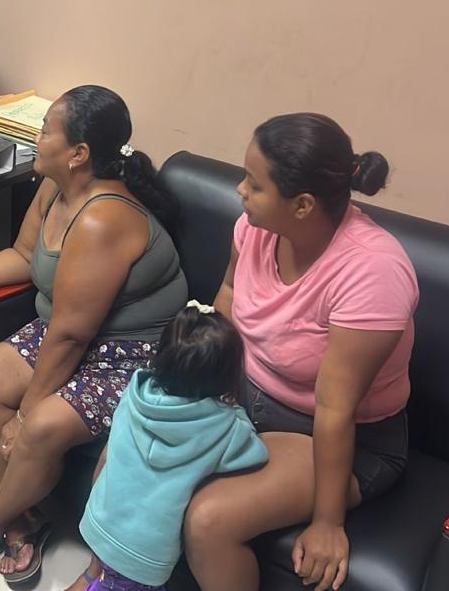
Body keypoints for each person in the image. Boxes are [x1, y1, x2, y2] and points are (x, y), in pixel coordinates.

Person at [74, 112, 418, 591]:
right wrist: (203, 387)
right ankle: (103, 574)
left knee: (207, 520)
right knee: (121, 451)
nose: (240, 191)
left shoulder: (372, 272)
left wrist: (328, 523)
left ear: (302, 205)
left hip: (334, 435)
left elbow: (335, 408)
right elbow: (229, 298)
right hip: (240, 399)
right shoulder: (256, 228)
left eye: (254, 184)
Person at [0, 86, 188, 590]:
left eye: (46, 130)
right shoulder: (54, 186)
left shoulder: (102, 218)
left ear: (79, 153)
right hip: (71, 334)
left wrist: (26, 414)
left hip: (131, 356)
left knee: (41, 424)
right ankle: (26, 519)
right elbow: (24, 255)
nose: (36, 137)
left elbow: (71, 336)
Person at [78, 300, 268, 591]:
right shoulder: (224, 427)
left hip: (99, 518)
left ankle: (93, 578)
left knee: (104, 574)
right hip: (144, 553)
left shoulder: (134, 392)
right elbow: (256, 452)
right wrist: (236, 410)